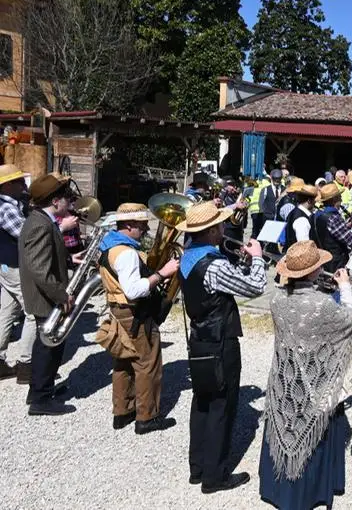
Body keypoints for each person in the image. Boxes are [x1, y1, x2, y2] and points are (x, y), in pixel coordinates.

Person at [177, 201, 268, 493]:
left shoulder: (188, 257)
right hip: (220, 341)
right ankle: (215, 477)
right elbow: (254, 287)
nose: (223, 229)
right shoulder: (213, 264)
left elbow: (221, 286)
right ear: (211, 229)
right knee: (222, 405)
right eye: (219, 225)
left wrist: (239, 261)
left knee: (201, 401)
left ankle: (198, 466)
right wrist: (257, 259)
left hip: (199, 336)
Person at [259, 242, 352, 510]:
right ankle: (308, 491)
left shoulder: (277, 299)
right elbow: (349, 321)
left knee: (283, 422)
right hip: (314, 384)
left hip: (285, 377)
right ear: (315, 271)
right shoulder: (322, 305)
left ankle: (276, 486)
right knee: (315, 422)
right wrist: (345, 288)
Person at [97, 203, 180, 433]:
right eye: (142, 225)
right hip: (135, 313)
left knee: (124, 361)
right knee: (148, 364)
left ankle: (122, 412)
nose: (145, 229)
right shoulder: (127, 254)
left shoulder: (109, 246)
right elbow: (133, 290)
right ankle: (147, 418)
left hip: (118, 310)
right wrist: (163, 273)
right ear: (130, 225)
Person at [20, 174, 78, 415]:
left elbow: (44, 256)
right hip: (46, 297)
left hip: (47, 294)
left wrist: (68, 258)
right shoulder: (41, 224)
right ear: (55, 201)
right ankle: (41, 400)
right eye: (66, 198)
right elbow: (39, 269)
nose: (69, 201)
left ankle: (41, 389)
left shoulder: (42, 220)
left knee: (50, 343)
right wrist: (61, 296)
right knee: (49, 345)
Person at [0, 164, 32, 383]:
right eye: (19, 181)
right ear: (7, 185)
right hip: (14, 266)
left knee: (7, 312)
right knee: (33, 313)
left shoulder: (14, 204)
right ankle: (26, 366)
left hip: (6, 265)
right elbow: (26, 235)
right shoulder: (6, 208)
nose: (24, 184)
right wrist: (60, 226)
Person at [310, 183, 352, 273]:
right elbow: (351, 240)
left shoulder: (317, 214)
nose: (341, 198)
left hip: (322, 259)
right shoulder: (333, 217)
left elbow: (328, 232)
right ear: (334, 199)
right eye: (339, 196)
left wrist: (346, 226)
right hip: (335, 263)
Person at [282, 184, 319, 250]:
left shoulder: (294, 211)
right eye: (314, 200)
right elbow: (304, 248)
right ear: (309, 201)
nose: (315, 202)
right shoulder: (302, 220)